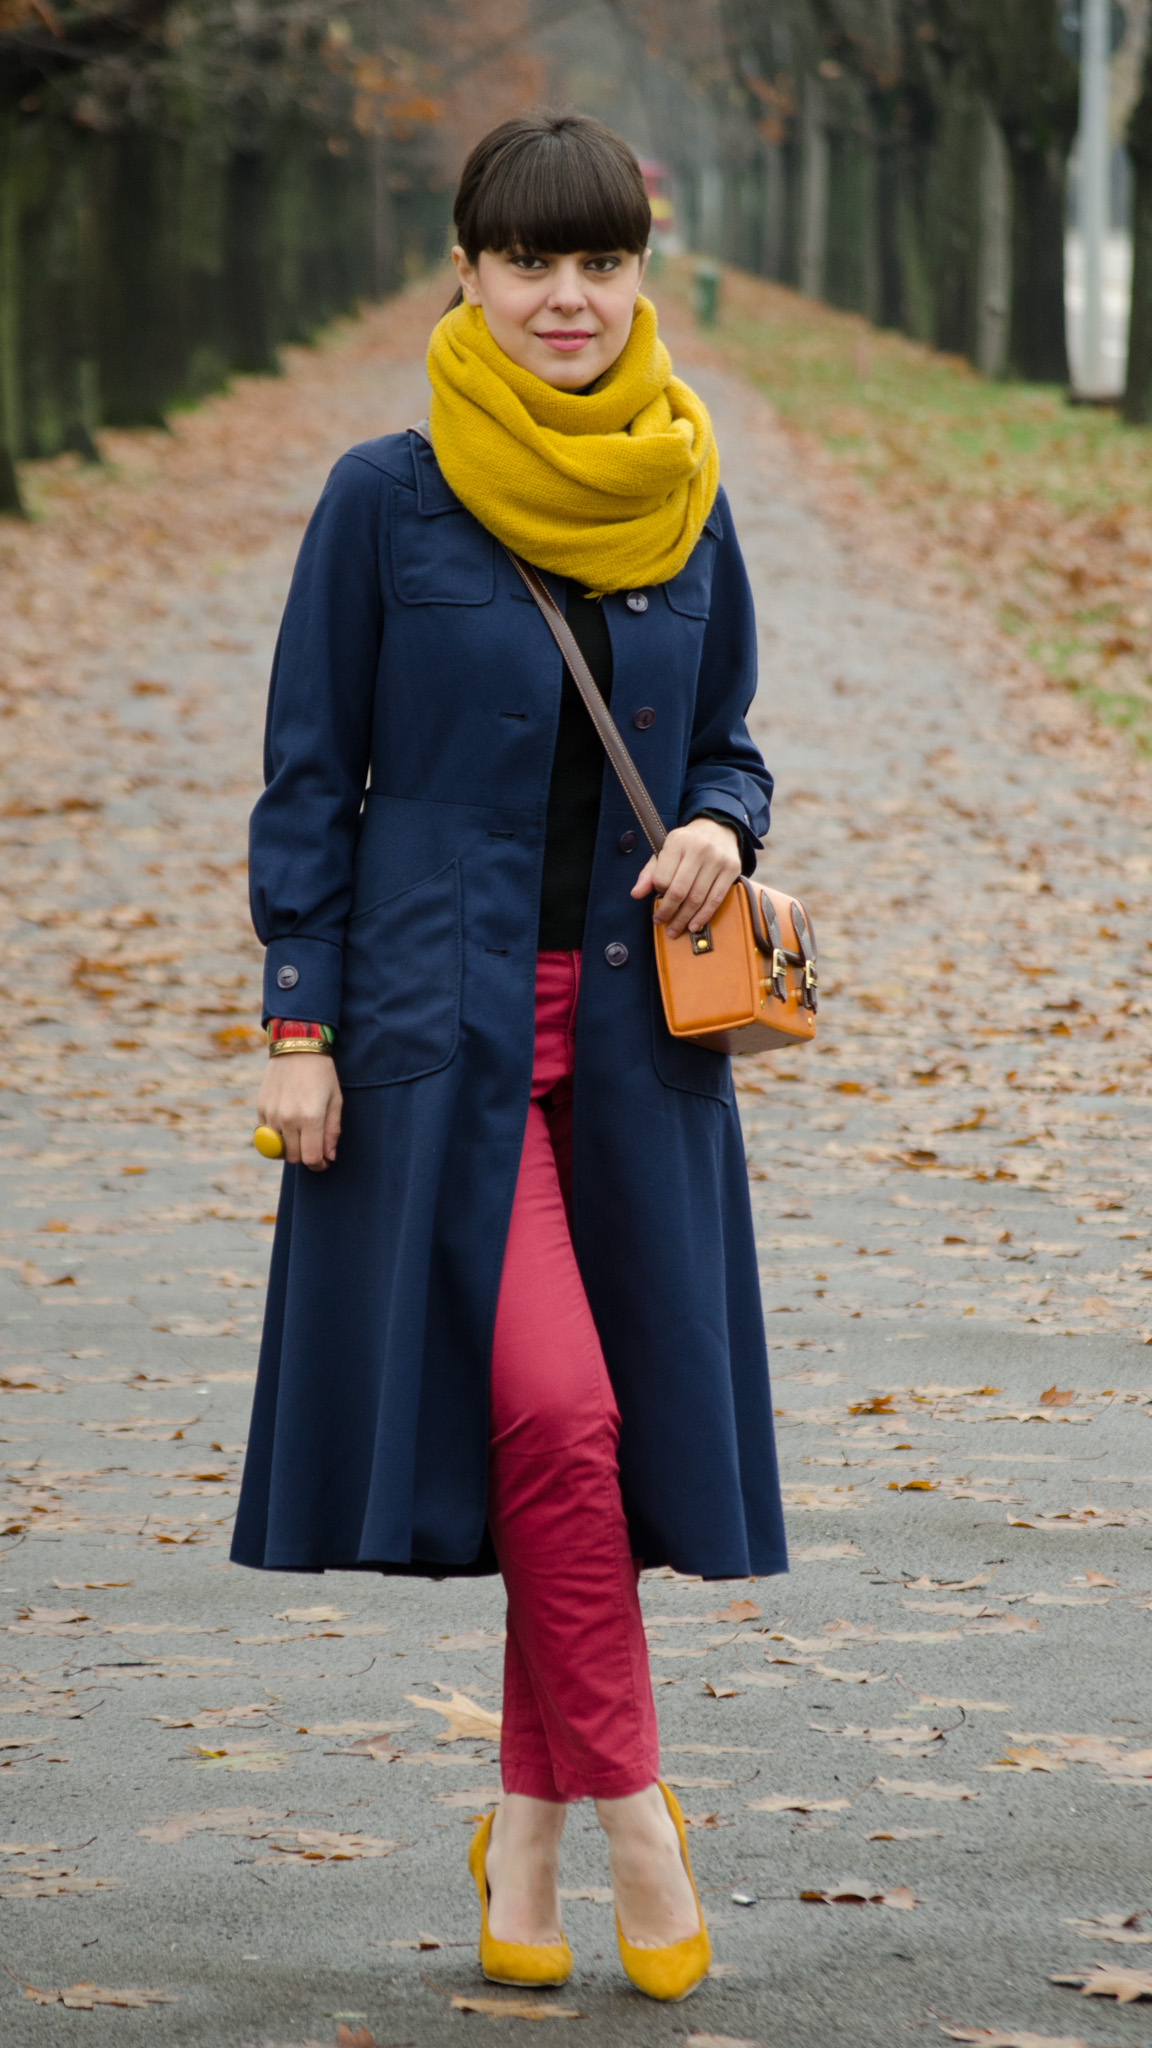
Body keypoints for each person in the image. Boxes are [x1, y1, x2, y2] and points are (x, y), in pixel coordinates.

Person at [232, 109, 787, 2003]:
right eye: (532, 262)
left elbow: (729, 742)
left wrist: (724, 824)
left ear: (644, 275)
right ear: (463, 270)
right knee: (557, 1419)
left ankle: (522, 1837)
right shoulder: (382, 500)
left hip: (640, 1049)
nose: (569, 297)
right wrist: (296, 1023)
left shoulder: (688, 493)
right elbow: (312, 779)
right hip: (424, 1038)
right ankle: (640, 1818)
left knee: (591, 1452)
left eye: (603, 263)